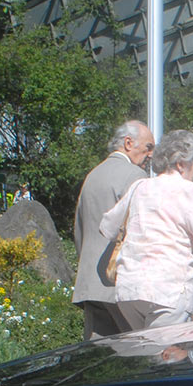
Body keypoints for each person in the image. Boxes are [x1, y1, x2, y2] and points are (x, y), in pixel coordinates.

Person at [99, 129, 193, 329]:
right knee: (169, 357)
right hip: (169, 292)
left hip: (129, 291)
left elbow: (107, 227)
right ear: (181, 164)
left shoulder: (139, 187)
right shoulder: (189, 191)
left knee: (148, 355)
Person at [72, 120, 154, 337]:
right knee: (137, 355)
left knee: (100, 359)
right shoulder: (135, 176)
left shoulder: (93, 175)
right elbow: (141, 231)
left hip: (90, 283)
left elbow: (79, 229)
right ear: (129, 143)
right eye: (148, 147)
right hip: (119, 285)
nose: (151, 155)